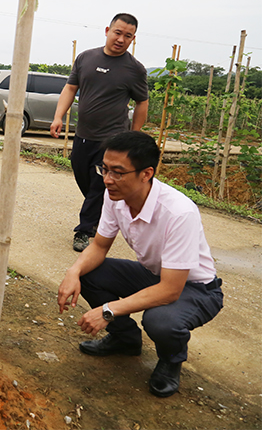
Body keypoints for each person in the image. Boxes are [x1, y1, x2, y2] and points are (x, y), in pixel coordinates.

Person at [57, 131, 223, 398]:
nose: (108, 180)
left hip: (196, 289)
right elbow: (99, 246)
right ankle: (125, 339)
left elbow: (170, 290)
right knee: (89, 273)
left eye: (118, 172)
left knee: (159, 321)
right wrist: (73, 271)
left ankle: (171, 359)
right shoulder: (115, 198)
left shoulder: (179, 212)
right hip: (155, 276)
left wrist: (108, 310)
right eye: (105, 169)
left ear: (146, 174)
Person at [50, 13, 149, 252]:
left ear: (133, 39)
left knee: (98, 184)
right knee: (83, 176)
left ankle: (85, 231)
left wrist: (133, 136)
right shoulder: (86, 58)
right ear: (107, 30)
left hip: (112, 139)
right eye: (118, 32)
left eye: (128, 36)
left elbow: (142, 103)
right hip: (83, 135)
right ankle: (106, 212)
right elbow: (70, 87)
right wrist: (58, 116)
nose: (121, 39)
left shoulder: (134, 69)